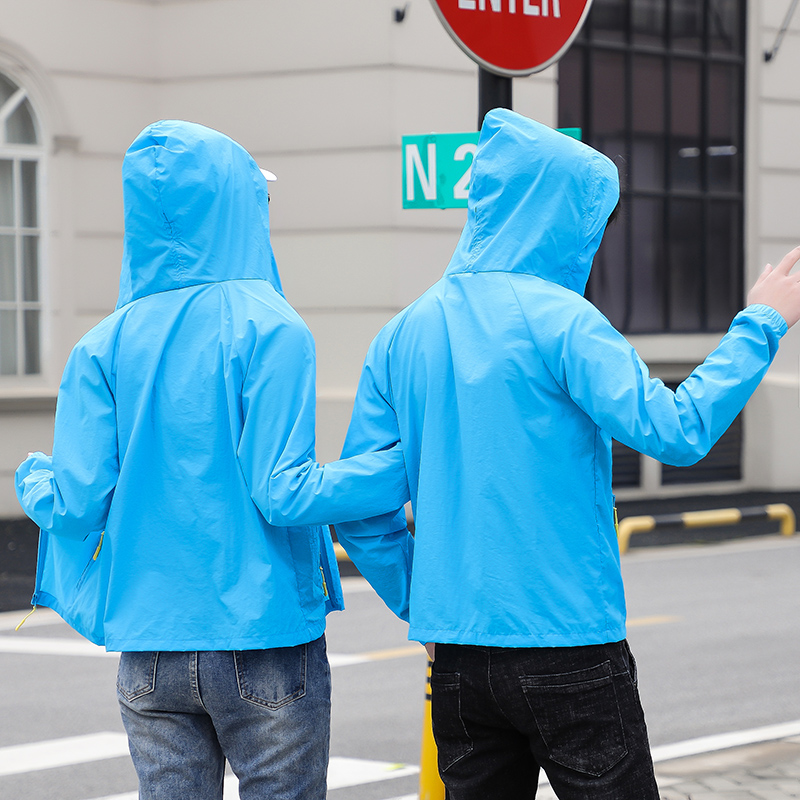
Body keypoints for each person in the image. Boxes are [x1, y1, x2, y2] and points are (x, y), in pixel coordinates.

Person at [333, 109, 800, 800]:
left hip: (459, 657)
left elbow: (360, 507)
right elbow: (676, 429)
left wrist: (423, 608)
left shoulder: (404, 333)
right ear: (564, 220)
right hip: (570, 644)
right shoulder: (564, 321)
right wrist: (762, 322)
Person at [14, 120, 408, 800]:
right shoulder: (272, 327)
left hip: (149, 648)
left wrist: (32, 477)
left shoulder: (103, 345)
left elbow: (77, 504)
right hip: (262, 640)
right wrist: (406, 466)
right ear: (236, 207)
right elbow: (284, 494)